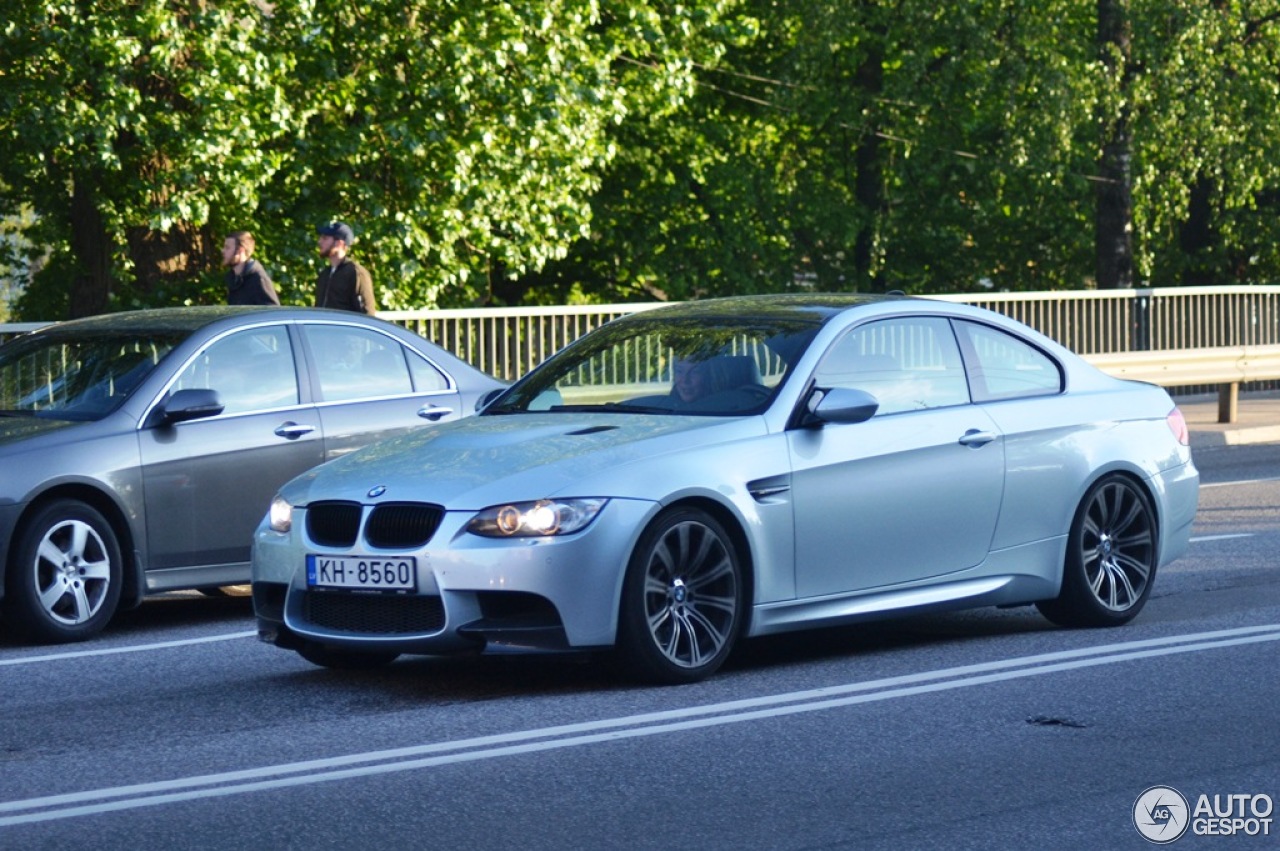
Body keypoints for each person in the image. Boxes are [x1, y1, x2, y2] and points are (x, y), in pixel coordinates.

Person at [315, 221, 377, 314]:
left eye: (325, 238)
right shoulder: (325, 274)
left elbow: (367, 316)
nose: (320, 241)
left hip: (344, 328)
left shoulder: (356, 273)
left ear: (339, 243)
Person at [223, 231, 280, 306]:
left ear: (240, 251)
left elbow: (273, 313)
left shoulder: (259, 279)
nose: (223, 251)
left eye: (227, 248)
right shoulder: (233, 279)